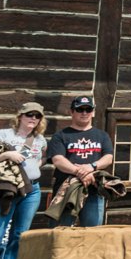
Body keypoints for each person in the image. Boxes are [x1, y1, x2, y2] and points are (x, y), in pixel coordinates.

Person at [0, 102, 46, 259]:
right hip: (7, 190)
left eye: (37, 116)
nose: (33, 118)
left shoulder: (40, 139)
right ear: (20, 116)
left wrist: (35, 167)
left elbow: (41, 159)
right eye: (29, 114)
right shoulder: (4, 135)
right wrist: (8, 155)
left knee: (20, 236)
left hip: (32, 189)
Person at [46, 96, 114, 228]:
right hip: (66, 191)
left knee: (92, 232)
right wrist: (80, 172)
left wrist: (91, 166)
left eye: (88, 109)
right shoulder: (60, 136)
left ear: (93, 112)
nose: (84, 113)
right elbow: (58, 160)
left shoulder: (102, 135)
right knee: (61, 231)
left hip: (94, 190)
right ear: (72, 112)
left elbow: (108, 158)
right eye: (80, 109)